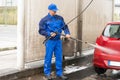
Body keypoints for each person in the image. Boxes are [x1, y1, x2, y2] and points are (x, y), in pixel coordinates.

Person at [39, 3, 70, 80]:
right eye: (53, 11)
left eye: (55, 10)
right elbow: (41, 30)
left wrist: (67, 33)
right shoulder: (44, 20)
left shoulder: (60, 18)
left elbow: (65, 27)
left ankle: (59, 73)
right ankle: (47, 73)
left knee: (59, 57)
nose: (55, 12)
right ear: (49, 10)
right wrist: (49, 33)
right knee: (48, 57)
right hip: (50, 41)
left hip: (58, 41)